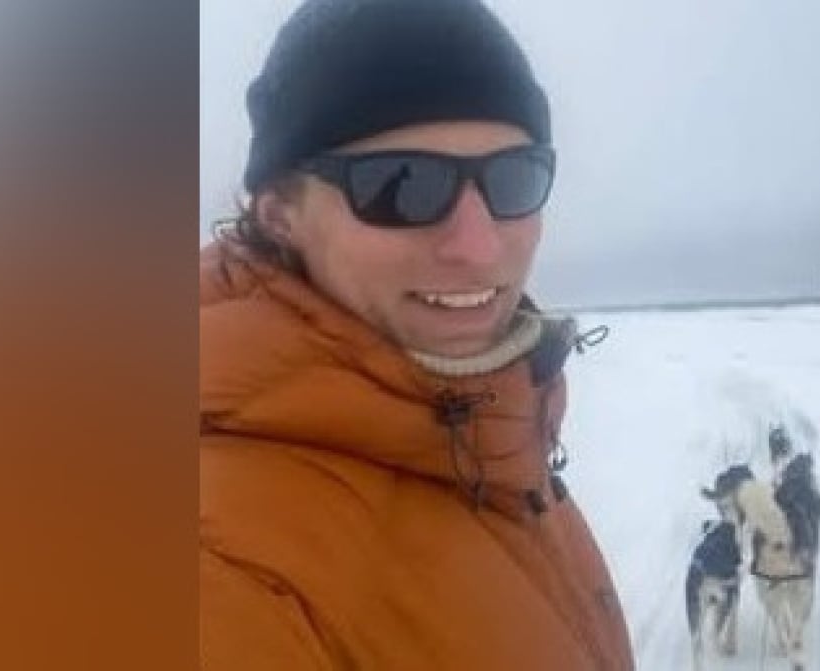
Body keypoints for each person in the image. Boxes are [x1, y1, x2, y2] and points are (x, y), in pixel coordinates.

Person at [199, 0, 635, 668]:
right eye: (400, 185)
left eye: (513, 176)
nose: (478, 244)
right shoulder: (221, 572)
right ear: (281, 212)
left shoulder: (493, 434)